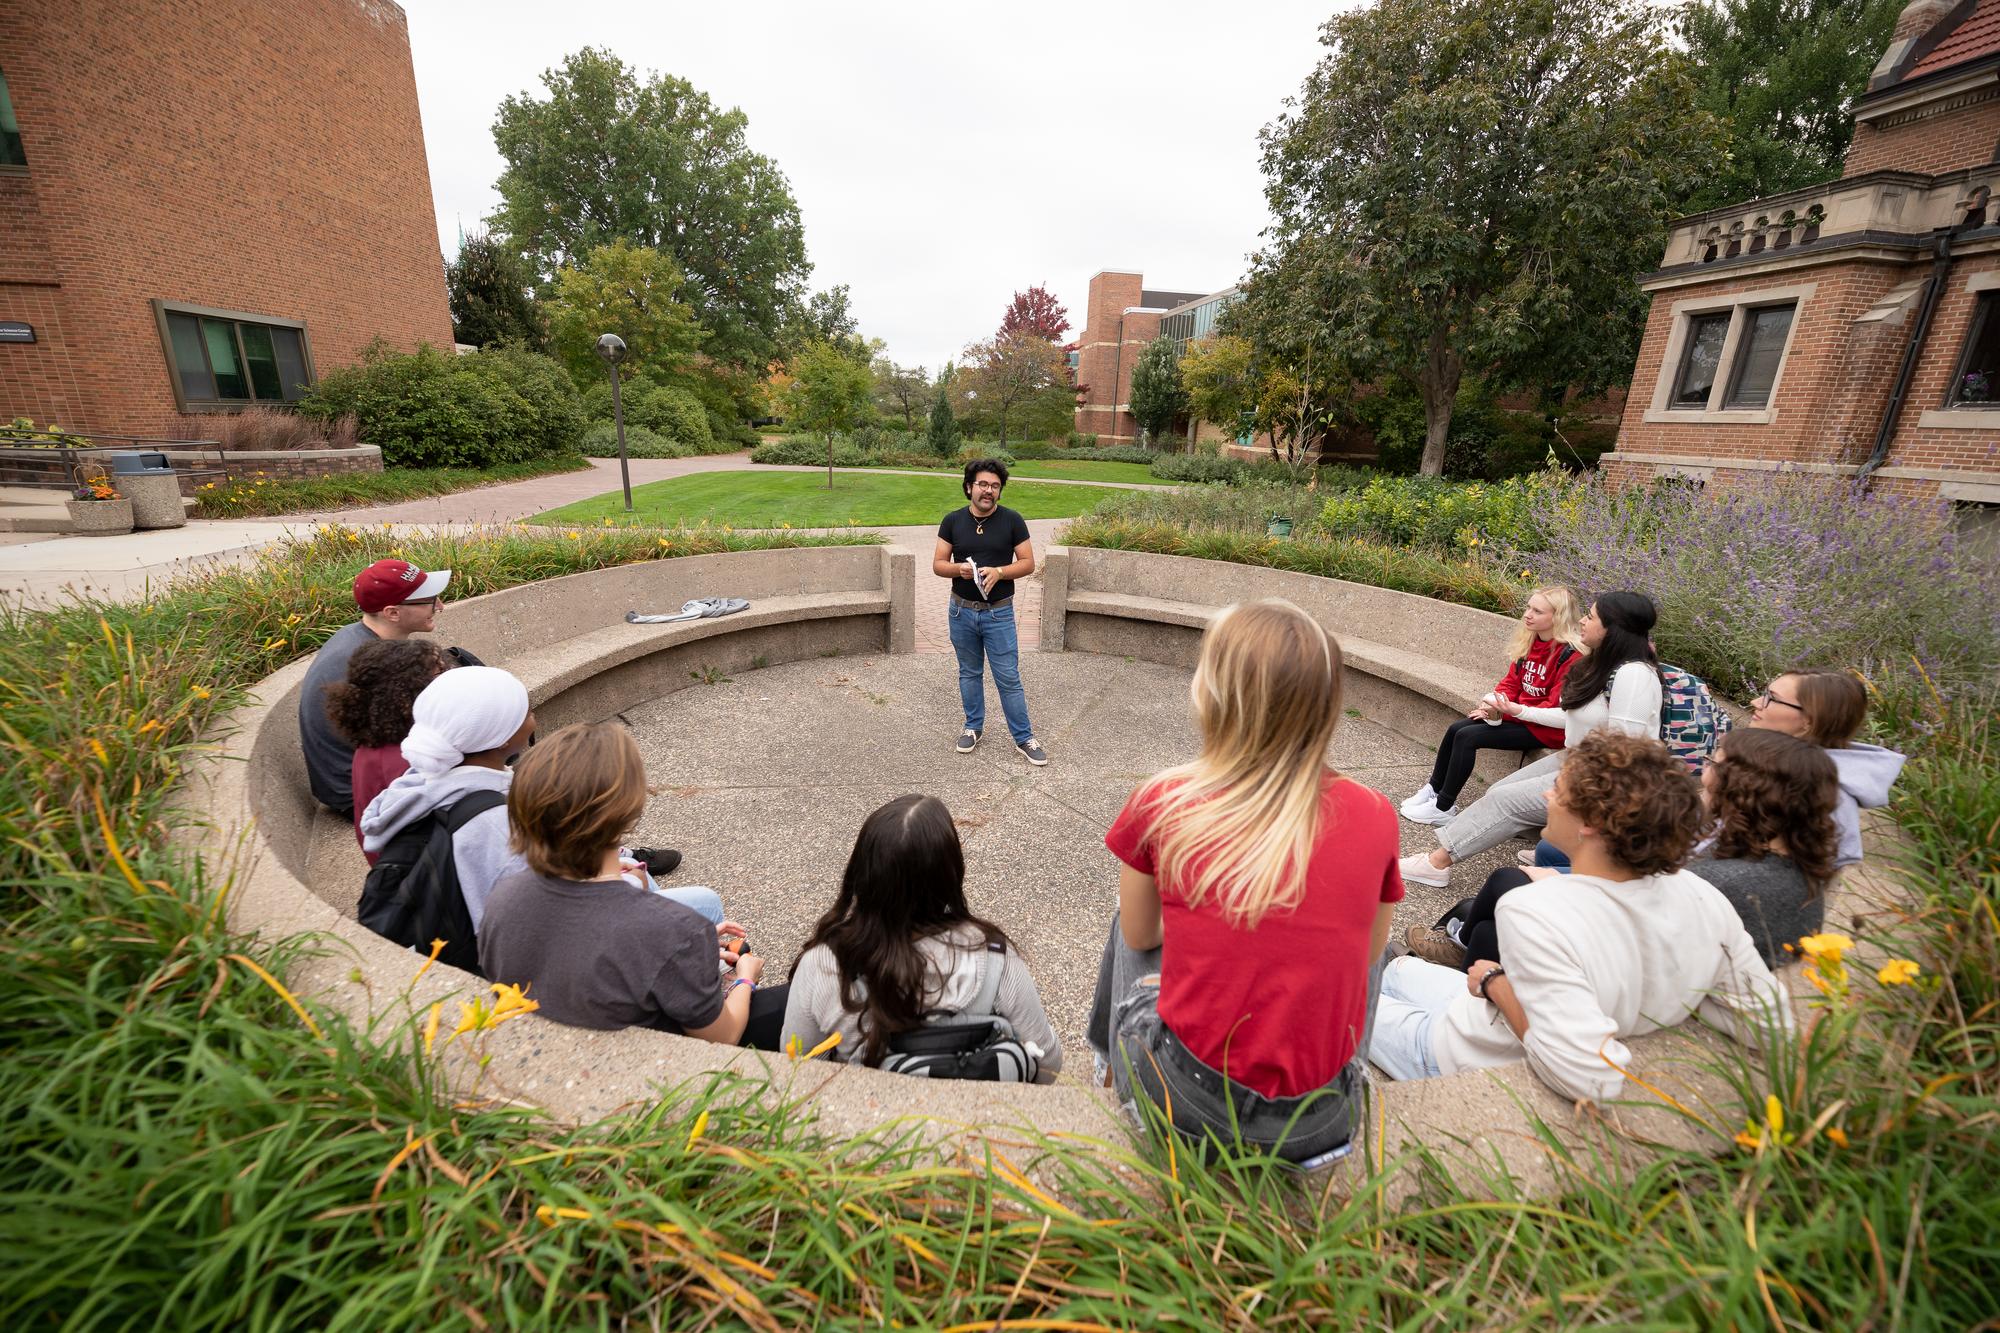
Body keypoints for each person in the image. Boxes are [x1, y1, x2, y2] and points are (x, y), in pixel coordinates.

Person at [1086, 599, 1401, 1164]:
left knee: (1126, 921)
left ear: (1215, 694)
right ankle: (1353, 1066)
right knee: (1372, 941)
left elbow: (1139, 939)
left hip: (1188, 1105)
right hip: (1322, 1122)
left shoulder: (1165, 803)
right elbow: (1369, 954)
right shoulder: (1375, 813)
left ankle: (1109, 1069)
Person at [1370, 732, 1791, 1103]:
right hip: (1483, 1014)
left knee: (1327, 1001)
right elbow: (1769, 1023)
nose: (1546, 798)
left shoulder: (1536, 910)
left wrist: (1499, 985)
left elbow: (1591, 1078)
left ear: (1589, 823)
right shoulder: (1704, 896)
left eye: (1557, 788)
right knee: (1395, 968)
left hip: (1461, 1051)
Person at [1408, 728, 1841, 970]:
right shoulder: (1776, 857)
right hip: (1650, 943)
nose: (1703, 773)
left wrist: (1568, 887)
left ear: (1747, 788)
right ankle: (1457, 943)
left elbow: (1635, 924)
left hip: (1629, 968)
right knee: (1500, 898)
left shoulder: (1727, 882)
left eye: (1713, 764)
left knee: (1498, 907)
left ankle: (1457, 959)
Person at [480, 723, 787, 1049]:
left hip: (549, 1044)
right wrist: (745, 978)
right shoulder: (674, 928)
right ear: (628, 811)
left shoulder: (503, 896)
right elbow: (722, 1036)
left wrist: (684, 953)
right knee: (791, 999)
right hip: (650, 1067)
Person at [782, 794, 1062, 1078]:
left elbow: (795, 1067)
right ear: (951, 874)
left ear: (861, 872)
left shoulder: (823, 964)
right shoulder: (995, 959)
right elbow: (1049, 1065)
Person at [1400, 592, 1664, 889]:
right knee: (1501, 789)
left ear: (1612, 628)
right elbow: (1574, 717)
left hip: (1602, 775)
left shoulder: (1634, 676)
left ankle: (1436, 864)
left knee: (1505, 801)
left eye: (1591, 617)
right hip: (1578, 756)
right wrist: (1517, 710)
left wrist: (1578, 782)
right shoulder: (1608, 665)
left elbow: (1625, 749)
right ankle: (1560, 849)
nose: (1582, 621)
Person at [1402, 585, 1584, 824]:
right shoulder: (1531, 642)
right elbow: (1510, 684)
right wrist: (1492, 705)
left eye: (1537, 611)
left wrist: (1505, 713)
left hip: (1546, 729)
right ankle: (1433, 790)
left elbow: (1552, 707)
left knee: (1469, 737)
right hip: (1521, 716)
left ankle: (1443, 808)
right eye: (1528, 607)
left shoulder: (1571, 656)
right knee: (1457, 728)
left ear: (1557, 616)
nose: (1528, 614)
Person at [299, 558, 455, 815]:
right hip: (364, 794)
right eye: (430, 600)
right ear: (392, 613)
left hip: (352, 779)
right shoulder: (377, 665)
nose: (440, 606)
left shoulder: (355, 635)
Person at [932, 458, 1047, 766]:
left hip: (999, 614)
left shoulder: (1012, 521)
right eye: (983, 484)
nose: (989, 491)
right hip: (961, 612)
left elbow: (1027, 563)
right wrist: (959, 569)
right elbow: (938, 564)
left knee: (1008, 677)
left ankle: (1024, 738)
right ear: (969, 487)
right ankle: (972, 727)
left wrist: (999, 572)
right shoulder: (952, 521)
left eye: (995, 486)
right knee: (969, 673)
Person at [1747, 668, 1903, 868]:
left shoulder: (1820, 797)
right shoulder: (1774, 764)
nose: (1756, 702)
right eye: (1764, 693)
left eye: (1772, 698)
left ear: (1809, 721)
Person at [322, 637, 452, 861]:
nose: (449, 676)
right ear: (407, 691)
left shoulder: (379, 741)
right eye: (439, 671)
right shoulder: (406, 760)